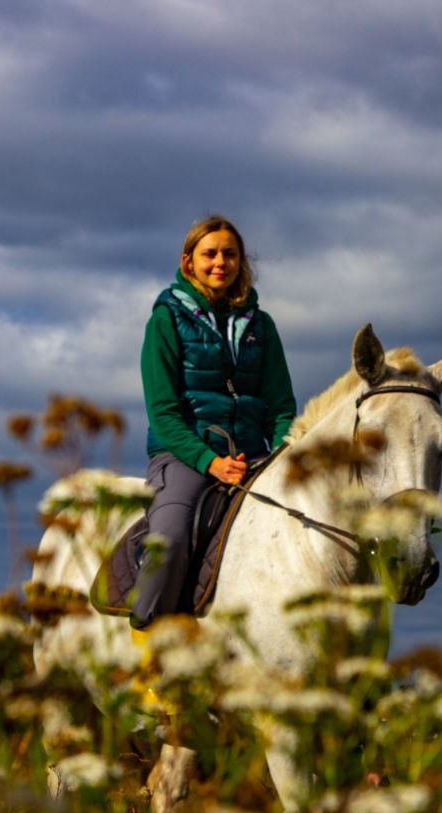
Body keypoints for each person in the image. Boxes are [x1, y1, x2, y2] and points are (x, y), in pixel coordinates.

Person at [128, 215, 296, 630]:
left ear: (241, 262)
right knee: (169, 541)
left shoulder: (263, 325)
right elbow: (164, 414)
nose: (220, 261)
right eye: (210, 254)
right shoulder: (165, 320)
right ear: (188, 262)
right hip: (184, 456)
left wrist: (280, 458)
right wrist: (211, 462)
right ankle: (148, 644)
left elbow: (281, 407)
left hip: (253, 456)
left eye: (230, 254)